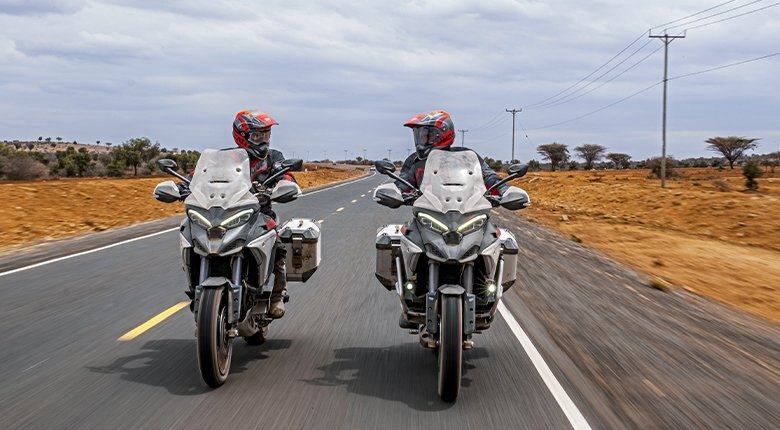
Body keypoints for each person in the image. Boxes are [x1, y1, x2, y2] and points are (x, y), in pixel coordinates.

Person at [231, 109, 295, 318]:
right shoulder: (229, 158)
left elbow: (284, 173)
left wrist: (285, 183)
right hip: (229, 213)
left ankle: (277, 294)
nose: (264, 140)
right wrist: (185, 185)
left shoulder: (273, 157)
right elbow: (200, 174)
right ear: (243, 136)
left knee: (278, 246)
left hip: (261, 214)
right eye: (258, 135)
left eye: (266, 135)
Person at [395, 110, 510, 198]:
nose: (422, 139)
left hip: (468, 212)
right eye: (420, 135)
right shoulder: (415, 161)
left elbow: (489, 176)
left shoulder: (467, 157)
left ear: (443, 134)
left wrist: (505, 190)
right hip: (426, 214)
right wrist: (394, 191)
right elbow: (403, 182)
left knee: (492, 224)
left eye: (427, 135)